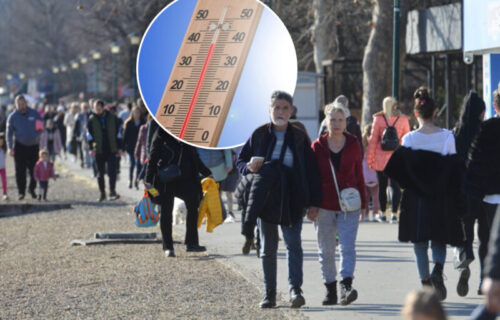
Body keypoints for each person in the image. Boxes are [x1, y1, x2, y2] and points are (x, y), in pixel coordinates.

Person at [236, 90, 321, 309]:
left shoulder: (299, 135)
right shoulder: (259, 134)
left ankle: (295, 290)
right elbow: (241, 160)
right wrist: (248, 168)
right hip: (266, 198)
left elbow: (312, 170)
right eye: (276, 108)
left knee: (293, 245)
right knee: (268, 247)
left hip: (293, 198)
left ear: (292, 110)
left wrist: (314, 202)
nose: (280, 112)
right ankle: (269, 293)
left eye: (285, 108)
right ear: (269, 110)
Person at [384, 87, 466, 301]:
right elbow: (454, 168)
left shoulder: (410, 139)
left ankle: (426, 283)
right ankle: (438, 269)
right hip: (441, 197)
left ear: (415, 113)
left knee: (419, 243)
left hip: (416, 197)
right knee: (438, 239)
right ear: (435, 111)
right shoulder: (447, 136)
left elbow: (399, 170)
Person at [309, 102, 367, 306]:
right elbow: (312, 178)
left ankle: (346, 286)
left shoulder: (353, 143)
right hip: (324, 205)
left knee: (347, 247)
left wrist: (365, 202)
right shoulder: (317, 146)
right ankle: (330, 289)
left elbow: (359, 174)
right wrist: (311, 205)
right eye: (332, 120)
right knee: (325, 250)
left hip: (349, 205)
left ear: (346, 122)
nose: (336, 124)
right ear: (326, 121)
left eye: (340, 120)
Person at [452, 91, 494, 297]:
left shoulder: (456, 132)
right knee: (485, 238)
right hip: (482, 191)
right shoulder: (484, 131)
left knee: (465, 234)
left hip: (463, 191)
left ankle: (465, 257)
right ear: (481, 112)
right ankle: (482, 280)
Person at [145, 128, 211, 257]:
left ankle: (192, 243)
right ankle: (168, 247)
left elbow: (195, 157)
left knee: (193, 206)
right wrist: (148, 179)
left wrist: (207, 172)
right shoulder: (160, 134)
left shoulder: (188, 133)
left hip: (187, 178)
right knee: (166, 211)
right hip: (167, 178)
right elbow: (152, 157)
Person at [465, 82, 500, 299]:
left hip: (489, 193)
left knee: (486, 238)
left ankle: (484, 278)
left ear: (495, 106)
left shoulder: (485, 129)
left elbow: (474, 161)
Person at [366, 96, 410, 223]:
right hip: (397, 159)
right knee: (396, 187)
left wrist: (370, 160)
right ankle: (395, 214)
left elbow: (373, 141)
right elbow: (406, 140)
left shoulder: (378, 119)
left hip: (380, 159)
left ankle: (383, 213)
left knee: (382, 186)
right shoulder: (403, 119)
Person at [6, 94, 43, 200]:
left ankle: (32, 189)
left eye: (23, 103)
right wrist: (10, 147)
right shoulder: (12, 117)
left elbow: (41, 127)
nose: (21, 106)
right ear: (16, 105)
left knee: (34, 170)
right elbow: (9, 133)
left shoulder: (34, 113)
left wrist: (37, 136)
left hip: (33, 146)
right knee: (20, 171)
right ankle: (21, 192)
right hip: (19, 146)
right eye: (19, 104)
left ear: (26, 103)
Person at [87, 100, 124, 201]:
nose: (97, 110)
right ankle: (102, 193)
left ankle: (112, 191)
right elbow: (89, 136)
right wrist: (91, 148)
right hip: (98, 150)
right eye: (95, 108)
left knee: (112, 172)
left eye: (99, 108)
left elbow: (119, 134)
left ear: (103, 107)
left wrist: (120, 148)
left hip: (111, 149)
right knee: (100, 173)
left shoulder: (113, 118)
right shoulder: (91, 119)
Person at [197, 148, 234, 221]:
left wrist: (229, 163)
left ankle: (217, 214)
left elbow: (226, 148)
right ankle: (205, 215)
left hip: (219, 169)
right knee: (202, 194)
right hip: (201, 169)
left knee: (216, 194)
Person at [122, 106, 145, 189]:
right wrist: (123, 148)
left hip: (139, 148)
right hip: (131, 147)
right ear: (132, 113)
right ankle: (130, 180)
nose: (136, 114)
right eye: (135, 112)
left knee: (139, 165)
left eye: (138, 112)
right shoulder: (128, 123)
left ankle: (136, 181)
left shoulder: (143, 122)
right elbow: (125, 136)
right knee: (132, 164)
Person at [362, 124, 379, 222]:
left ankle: (365, 214)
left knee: (365, 196)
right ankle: (375, 214)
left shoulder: (362, 143)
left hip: (364, 172)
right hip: (374, 173)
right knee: (375, 196)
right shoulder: (376, 143)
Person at [0, 132, 8, 200]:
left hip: (2, 168)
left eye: (2, 142)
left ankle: (4, 193)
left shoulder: (4, 149)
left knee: (4, 180)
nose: (0, 143)